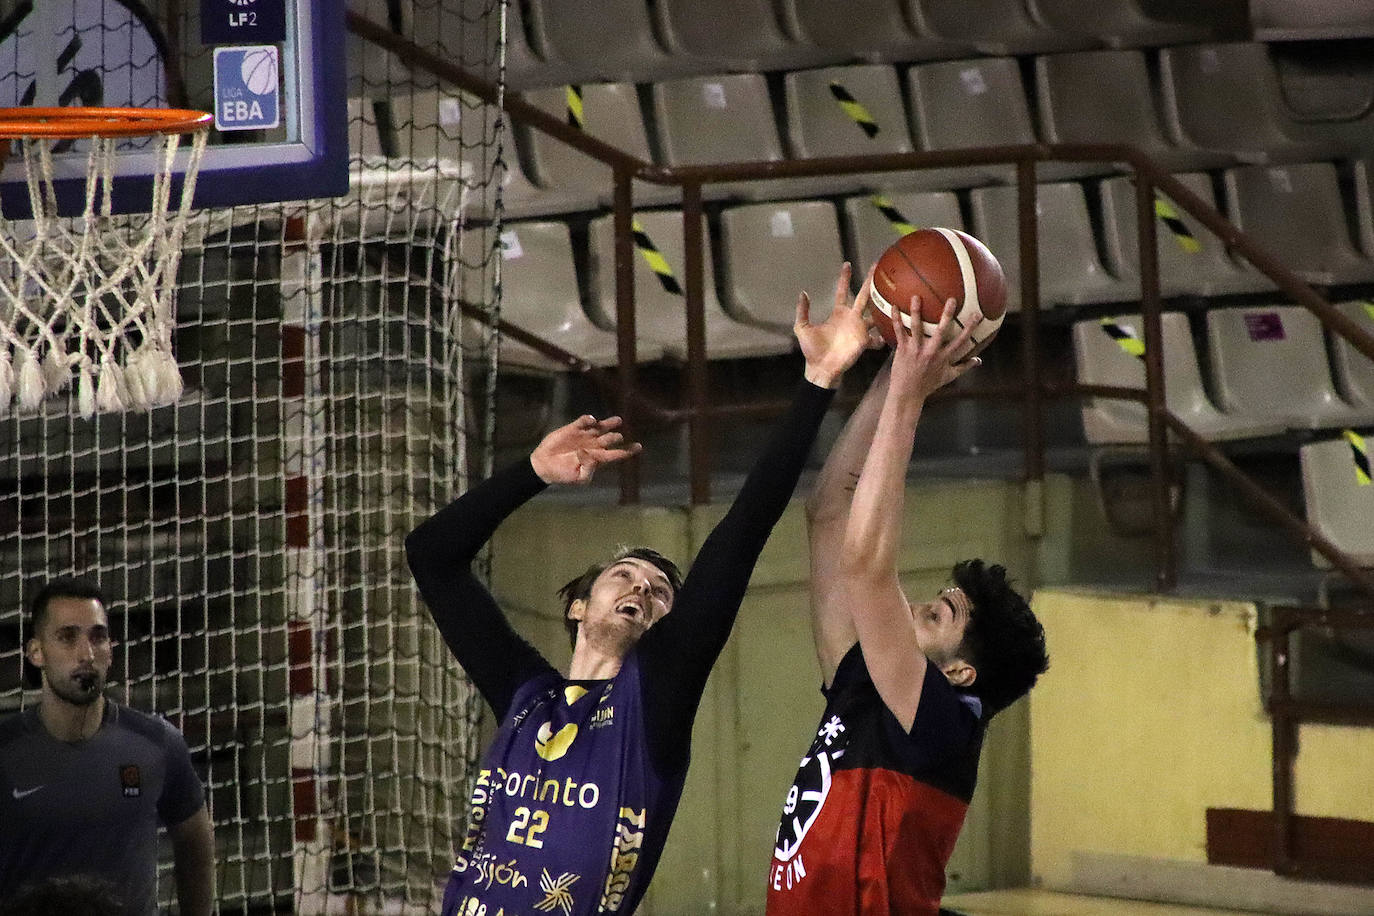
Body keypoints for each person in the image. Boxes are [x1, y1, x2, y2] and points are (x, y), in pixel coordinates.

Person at [406, 264, 876, 916]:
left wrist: (818, 382)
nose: (642, 588)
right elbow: (430, 557)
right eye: (623, 576)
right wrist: (533, 471)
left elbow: (743, 530)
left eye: (660, 592)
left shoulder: (650, 702)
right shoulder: (524, 693)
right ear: (578, 606)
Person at [766, 298, 1050, 915]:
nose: (914, 607)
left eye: (936, 616)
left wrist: (909, 396)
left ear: (959, 673)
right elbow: (830, 514)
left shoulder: (943, 722)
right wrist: (894, 367)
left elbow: (867, 566)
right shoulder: (862, 684)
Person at [0, 577, 215, 916]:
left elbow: (195, 843)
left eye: (97, 637)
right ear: (36, 652)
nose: (86, 653)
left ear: (110, 651)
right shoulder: (6, 750)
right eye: (67, 637)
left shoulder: (156, 743)